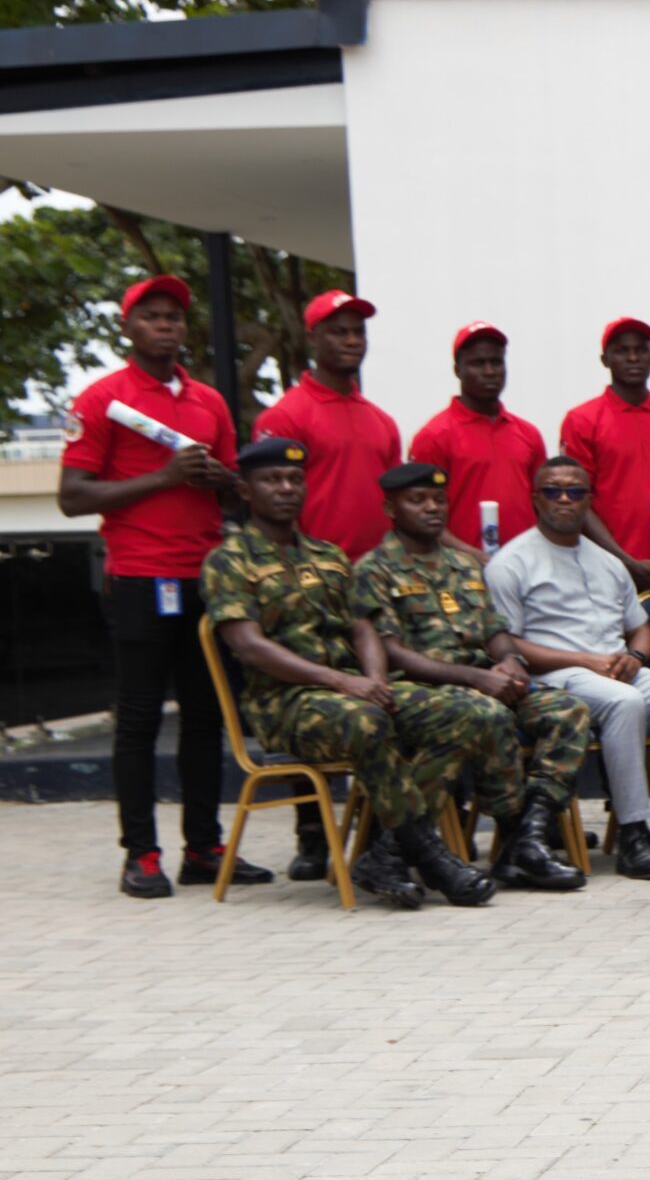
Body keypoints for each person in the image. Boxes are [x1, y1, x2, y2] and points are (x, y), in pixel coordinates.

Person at [203, 438, 508, 909]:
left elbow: (363, 626)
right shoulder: (229, 560)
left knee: (472, 712)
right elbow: (249, 645)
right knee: (369, 723)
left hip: (356, 690)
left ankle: (386, 852)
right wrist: (343, 683)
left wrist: (373, 679)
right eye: (271, 480)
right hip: (286, 703)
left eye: (294, 479)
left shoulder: (328, 555)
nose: (285, 488)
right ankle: (428, 855)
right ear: (245, 489)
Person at [59, 275, 265, 896]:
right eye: (152, 316)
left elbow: (232, 485)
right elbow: (72, 497)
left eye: (174, 316)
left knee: (206, 716)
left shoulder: (208, 401)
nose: (167, 325)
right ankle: (140, 854)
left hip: (203, 577)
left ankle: (202, 847)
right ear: (129, 327)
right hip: (139, 577)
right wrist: (165, 476)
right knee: (141, 720)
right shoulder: (101, 400)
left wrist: (217, 480)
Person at [352, 463, 591, 892]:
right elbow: (392, 650)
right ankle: (508, 833)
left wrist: (512, 662)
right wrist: (478, 679)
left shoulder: (463, 566)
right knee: (482, 712)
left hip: (480, 685)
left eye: (438, 500)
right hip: (417, 691)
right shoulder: (375, 568)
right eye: (417, 500)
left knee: (567, 709)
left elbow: (494, 631)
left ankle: (527, 838)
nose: (431, 508)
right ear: (390, 507)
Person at [486, 456, 650, 879]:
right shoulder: (511, 562)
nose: (564, 499)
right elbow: (505, 643)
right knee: (625, 702)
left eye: (575, 491)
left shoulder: (607, 561)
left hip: (617, 666)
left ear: (588, 500)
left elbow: (640, 630)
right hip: (553, 674)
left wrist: (635, 656)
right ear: (535, 499)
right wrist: (586, 660)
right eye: (553, 491)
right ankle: (634, 834)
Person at [253, 288, 402, 560]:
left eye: (359, 332)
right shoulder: (284, 416)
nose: (352, 341)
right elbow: (271, 509)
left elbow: (397, 503)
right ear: (312, 338)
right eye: (339, 332)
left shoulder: (383, 422)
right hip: (317, 575)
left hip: (382, 576)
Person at [559, 316, 650, 592]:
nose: (633, 358)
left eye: (641, 349)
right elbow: (578, 502)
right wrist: (624, 560)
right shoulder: (582, 420)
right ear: (605, 359)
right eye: (622, 350)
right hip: (604, 569)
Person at [407, 322, 546, 550]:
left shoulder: (528, 434)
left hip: (525, 569)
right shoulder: (434, 436)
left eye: (496, 362)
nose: (489, 372)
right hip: (462, 572)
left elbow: (543, 505)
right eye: (478, 363)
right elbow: (420, 518)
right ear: (458, 370)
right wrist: (471, 557)